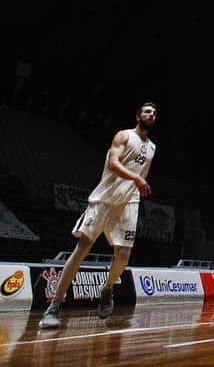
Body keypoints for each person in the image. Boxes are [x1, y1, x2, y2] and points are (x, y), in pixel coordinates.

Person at [39, 102, 158, 329]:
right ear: (138, 115)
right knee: (82, 248)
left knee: (123, 255)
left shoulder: (152, 147)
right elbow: (113, 164)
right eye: (147, 111)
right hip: (104, 199)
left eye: (154, 113)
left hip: (128, 202)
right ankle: (54, 305)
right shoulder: (123, 136)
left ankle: (108, 289)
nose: (151, 115)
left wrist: (135, 184)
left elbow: (141, 175)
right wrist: (135, 179)